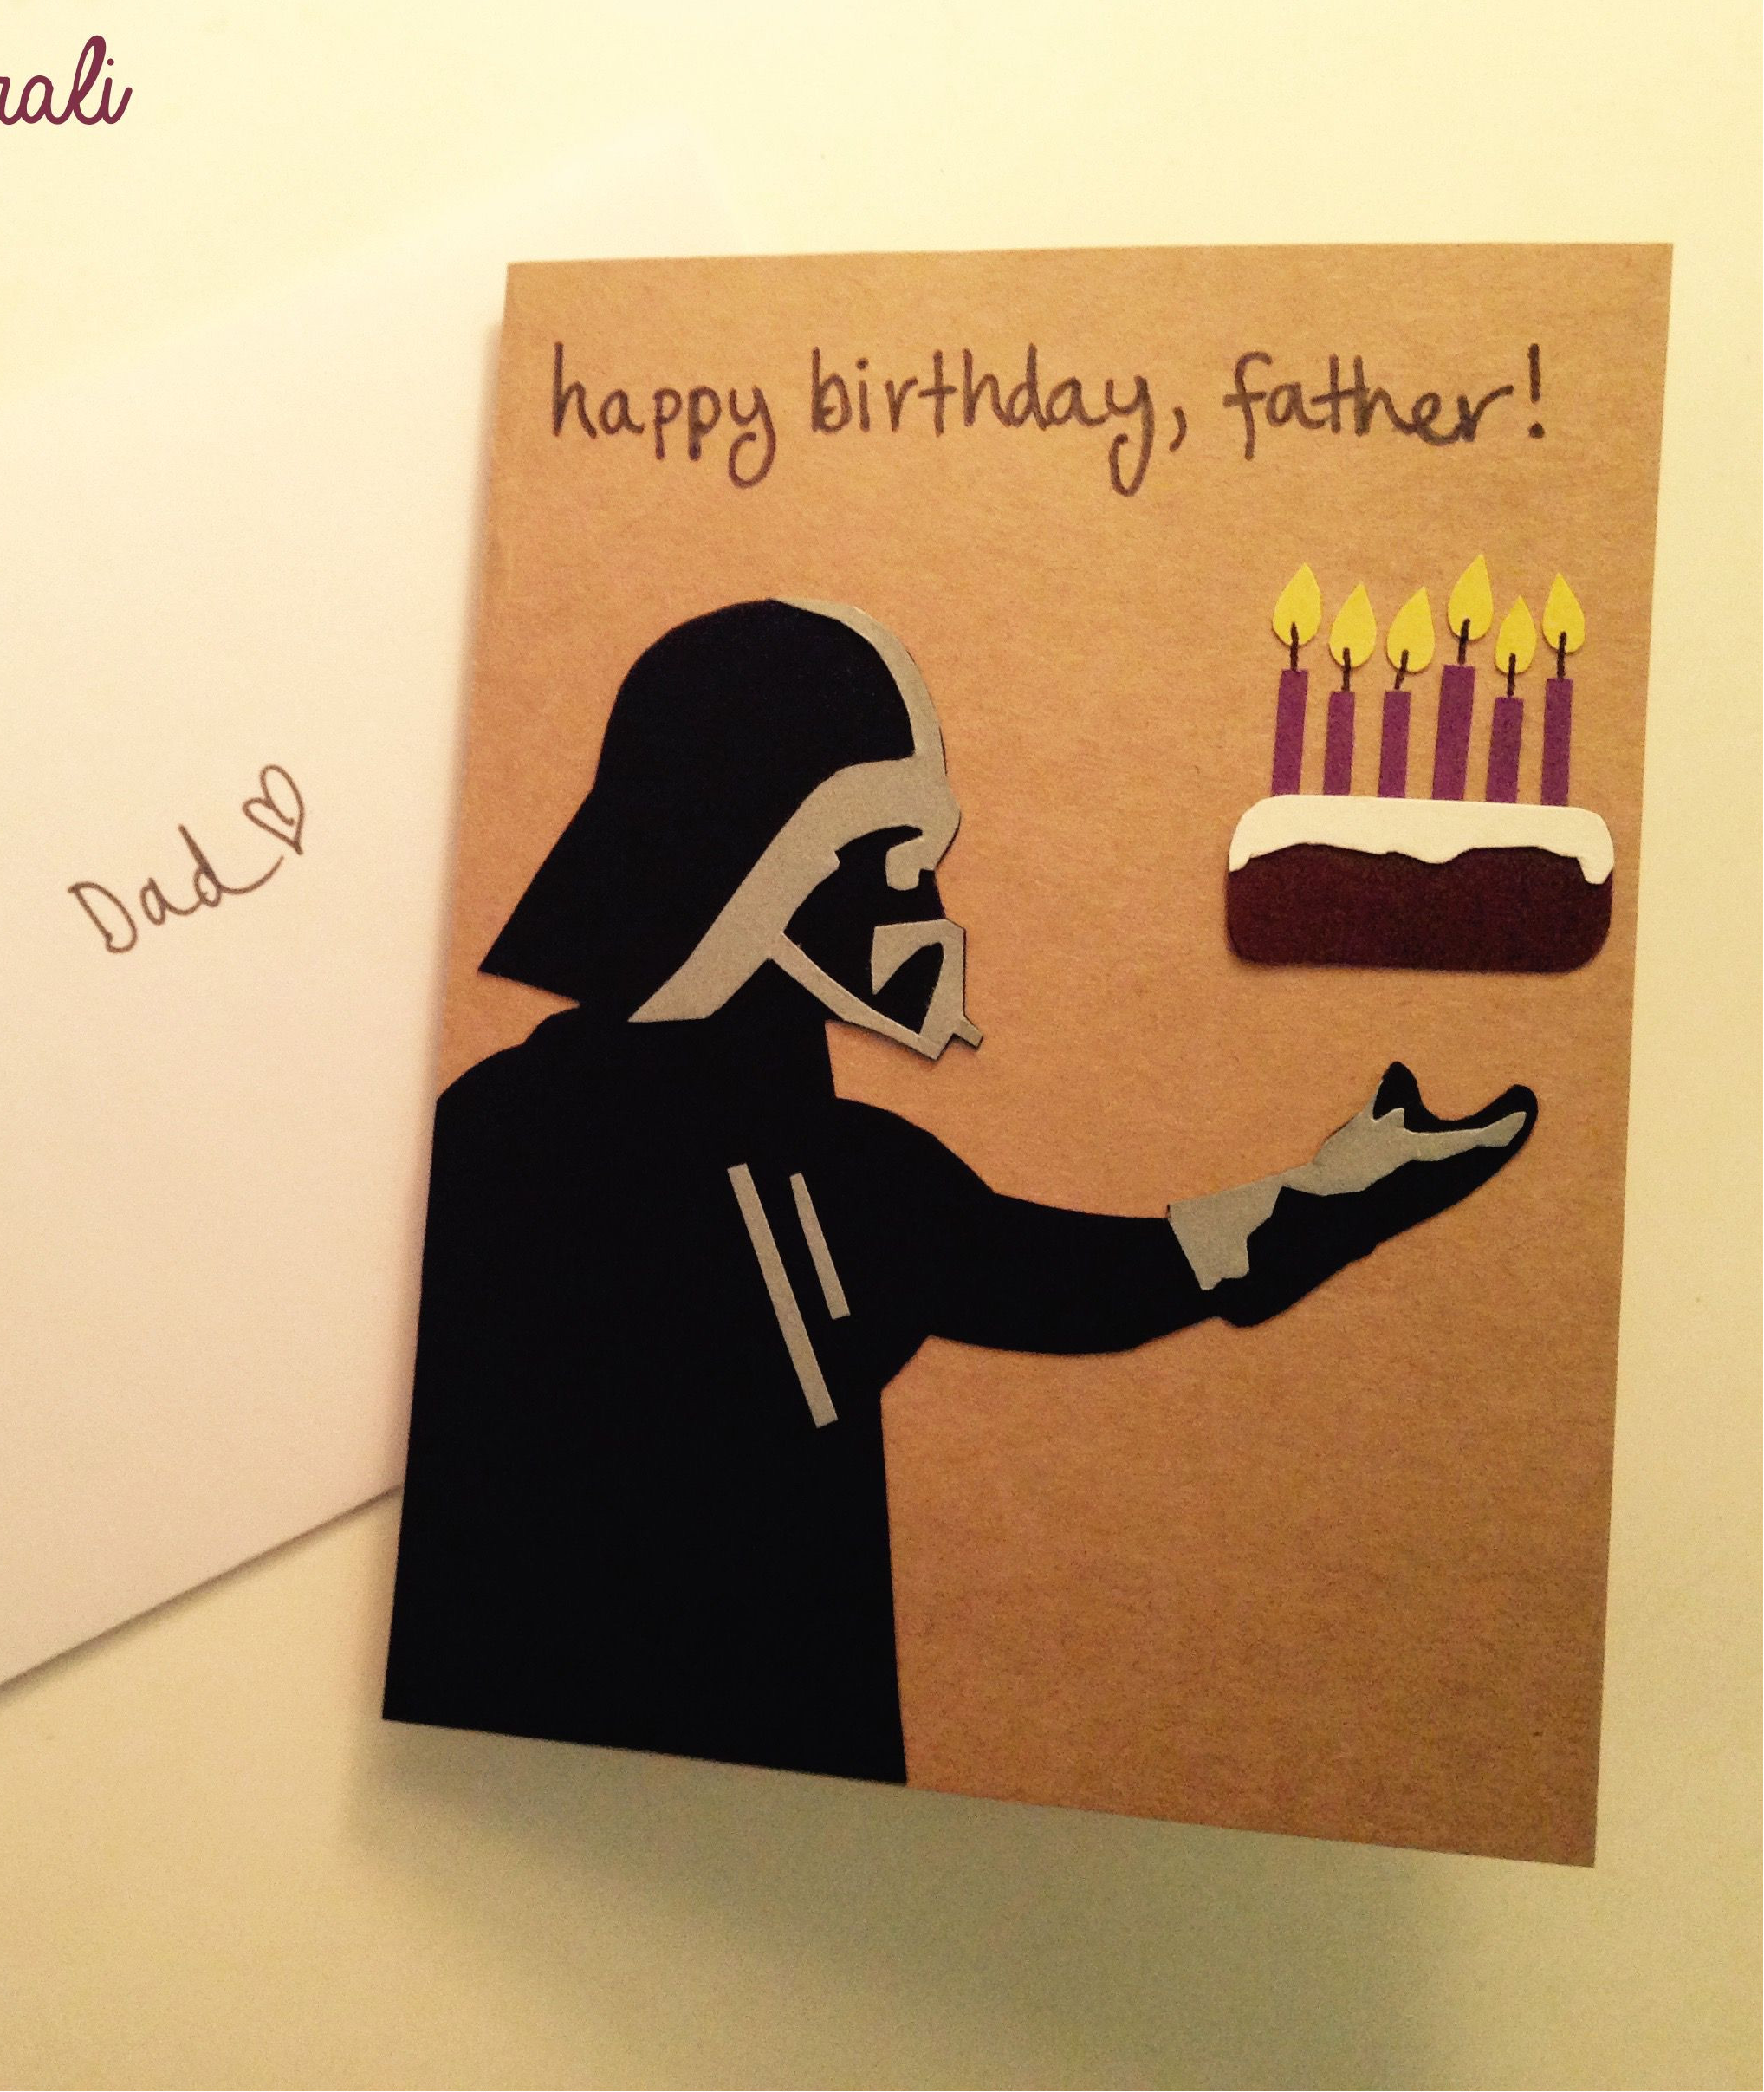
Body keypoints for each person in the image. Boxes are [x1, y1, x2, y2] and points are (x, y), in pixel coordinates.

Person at [383, 598, 1534, 1784]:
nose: (927, 913)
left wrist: (1330, 1199)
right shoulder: (523, 1145)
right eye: (898, 860)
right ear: (760, 857)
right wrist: (1327, 1203)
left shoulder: (840, 1173)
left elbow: (1084, 1273)